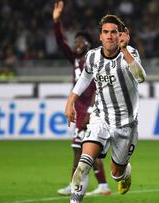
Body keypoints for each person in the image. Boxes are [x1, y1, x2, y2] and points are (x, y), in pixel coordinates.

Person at [65, 14, 147, 203]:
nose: (110, 36)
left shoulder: (130, 54)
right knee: (83, 165)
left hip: (126, 125)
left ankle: (124, 173)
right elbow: (85, 77)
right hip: (100, 117)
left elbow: (141, 77)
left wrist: (125, 49)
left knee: (116, 173)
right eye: (106, 32)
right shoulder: (92, 56)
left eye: (114, 32)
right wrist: (71, 101)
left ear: (121, 35)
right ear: (100, 36)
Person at [53, 1, 111, 196]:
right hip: (79, 109)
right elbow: (61, 43)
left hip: (88, 109)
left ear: (87, 44)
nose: (76, 44)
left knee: (78, 150)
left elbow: (98, 86)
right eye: (75, 42)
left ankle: (75, 186)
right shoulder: (76, 59)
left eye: (80, 42)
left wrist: (89, 111)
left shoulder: (93, 59)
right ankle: (102, 186)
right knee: (88, 149)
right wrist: (56, 21)